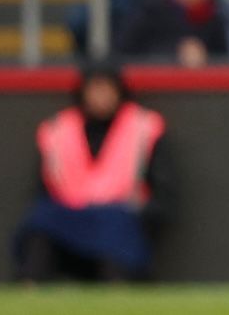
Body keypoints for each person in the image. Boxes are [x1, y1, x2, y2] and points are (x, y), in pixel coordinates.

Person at [13, 63, 166, 282]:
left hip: (119, 217)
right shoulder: (58, 128)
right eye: (95, 88)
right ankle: (29, 287)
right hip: (68, 217)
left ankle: (118, 292)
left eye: (107, 88)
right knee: (41, 219)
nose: (101, 96)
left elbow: (163, 193)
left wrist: (144, 213)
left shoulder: (143, 126)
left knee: (118, 229)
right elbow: (42, 188)